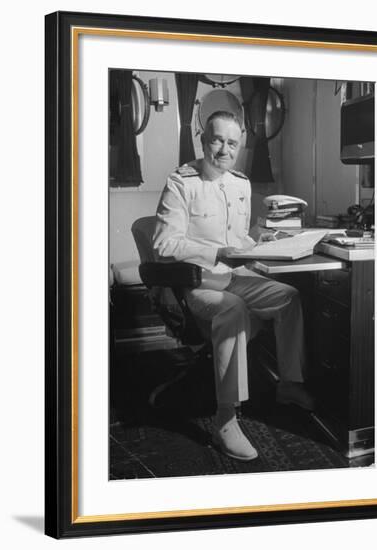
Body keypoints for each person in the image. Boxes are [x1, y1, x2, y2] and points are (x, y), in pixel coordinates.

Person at [153, 110, 313, 461]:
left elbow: (237, 237)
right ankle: (226, 418)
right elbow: (165, 244)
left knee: (288, 297)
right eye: (217, 140)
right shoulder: (182, 182)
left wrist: (258, 243)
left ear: (239, 146)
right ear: (203, 140)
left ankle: (289, 384)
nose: (224, 150)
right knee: (232, 308)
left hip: (234, 276)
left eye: (232, 143)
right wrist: (217, 252)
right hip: (200, 282)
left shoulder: (240, 183)